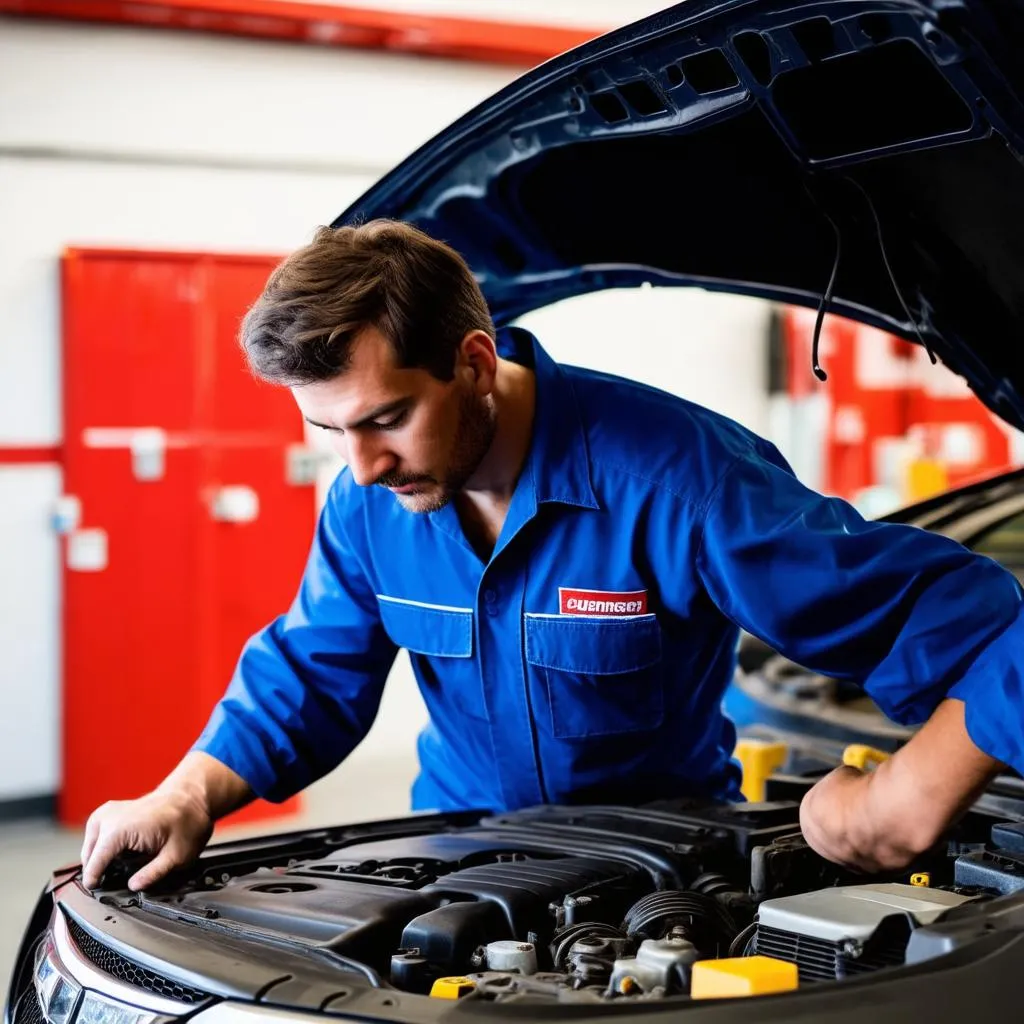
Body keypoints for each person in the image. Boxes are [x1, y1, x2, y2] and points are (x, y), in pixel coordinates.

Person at [81, 220, 1024, 892]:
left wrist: (908, 792)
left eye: (384, 420)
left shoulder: (679, 483)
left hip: (655, 878)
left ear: (475, 364)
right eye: (329, 431)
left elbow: (983, 629)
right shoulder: (368, 505)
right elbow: (311, 670)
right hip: (451, 862)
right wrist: (188, 792)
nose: (361, 467)